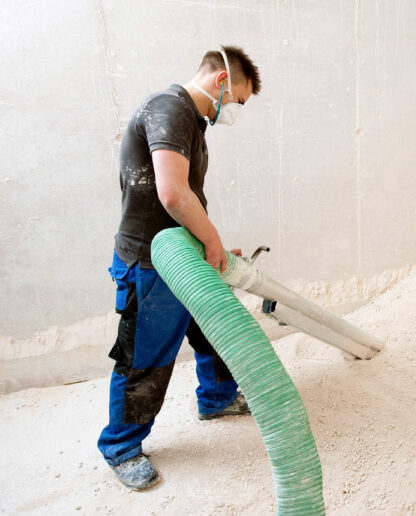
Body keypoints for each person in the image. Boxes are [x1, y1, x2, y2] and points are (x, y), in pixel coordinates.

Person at [97, 46, 261, 490]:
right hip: (151, 262)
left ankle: (217, 398)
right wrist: (211, 239)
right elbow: (171, 193)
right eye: (240, 100)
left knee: (217, 331)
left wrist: (209, 243)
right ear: (222, 82)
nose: (236, 110)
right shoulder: (170, 109)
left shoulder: (189, 118)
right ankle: (122, 446)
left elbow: (185, 200)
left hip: (181, 256)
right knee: (145, 359)